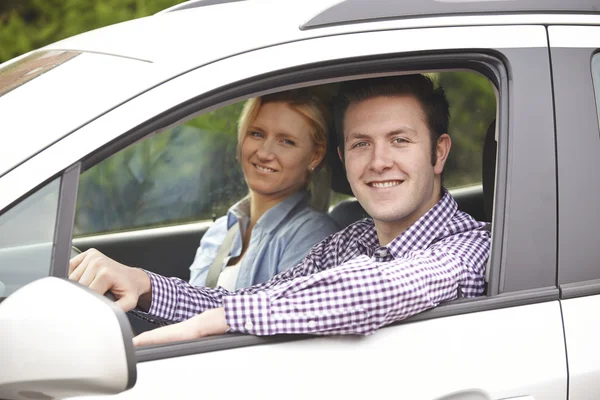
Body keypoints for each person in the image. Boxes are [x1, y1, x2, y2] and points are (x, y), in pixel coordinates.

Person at [69, 74, 490, 346]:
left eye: (400, 140)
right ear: (343, 158)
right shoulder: (352, 240)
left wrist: (209, 325)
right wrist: (143, 284)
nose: (378, 161)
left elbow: (378, 289)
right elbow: (257, 298)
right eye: (362, 143)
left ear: (438, 153)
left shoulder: (471, 246)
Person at [187, 90, 340, 290]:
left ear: (315, 156)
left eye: (286, 141)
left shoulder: (313, 235)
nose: (264, 153)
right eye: (256, 134)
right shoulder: (219, 231)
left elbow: (282, 318)